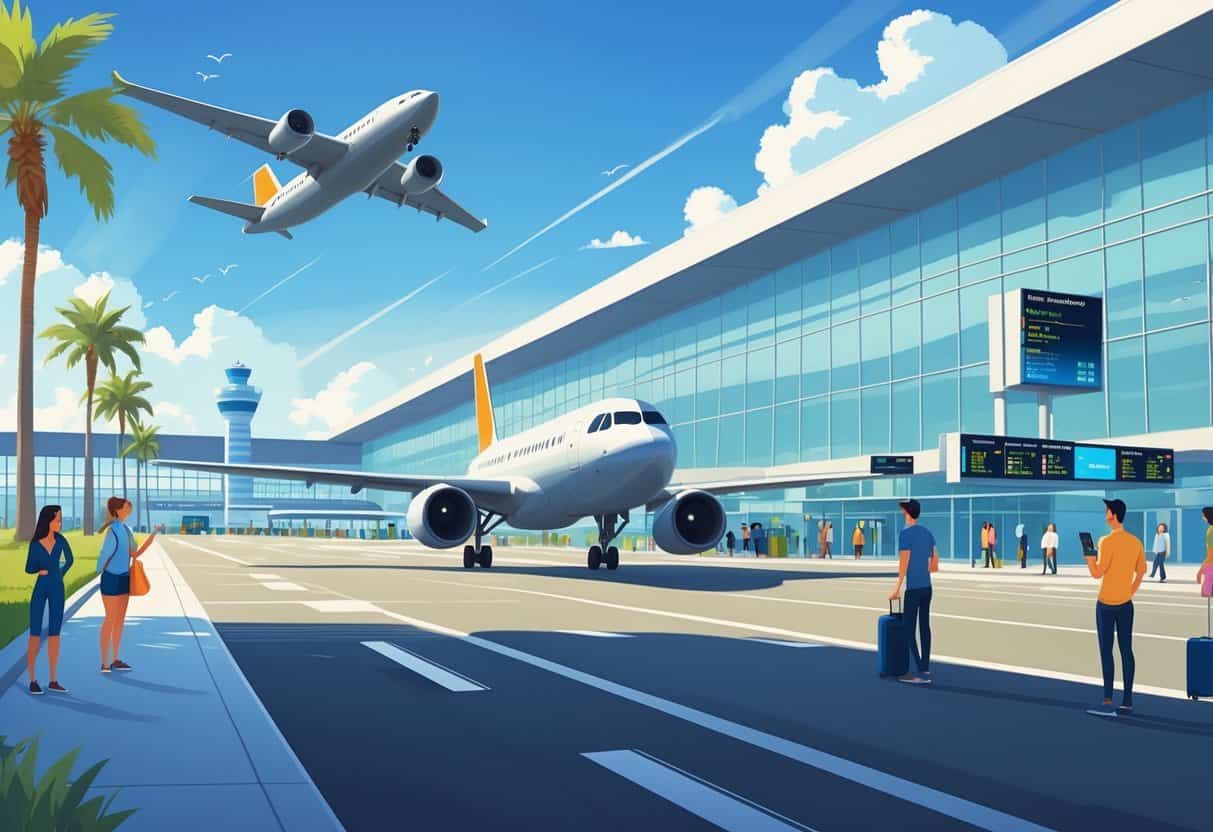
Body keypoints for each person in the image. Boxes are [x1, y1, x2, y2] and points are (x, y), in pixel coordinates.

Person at [1085, 498, 1146, 715]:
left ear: (1113, 514)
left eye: (1107, 511)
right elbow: (1141, 570)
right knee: (1126, 650)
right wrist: (1130, 591)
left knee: (1106, 650)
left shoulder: (1106, 541)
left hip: (1105, 604)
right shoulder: (1135, 542)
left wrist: (1089, 558)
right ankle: (1127, 700)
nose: (1105, 514)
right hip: (1126, 604)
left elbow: (1097, 573)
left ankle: (1108, 699)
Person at [97, 497, 158, 673]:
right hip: (111, 578)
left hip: (124, 577)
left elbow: (135, 553)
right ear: (117, 510)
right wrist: (101, 571)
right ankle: (105, 662)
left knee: (119, 621)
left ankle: (115, 659)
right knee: (110, 619)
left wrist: (153, 534)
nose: (129, 511)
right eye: (126, 508)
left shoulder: (125, 529)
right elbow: (105, 555)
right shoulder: (113, 531)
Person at [888, 499, 938, 685]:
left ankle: (918, 671)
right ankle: (925, 666)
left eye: (903, 510)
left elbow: (903, 564)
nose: (902, 513)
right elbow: (934, 564)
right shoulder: (927, 533)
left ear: (908, 512)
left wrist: (896, 589)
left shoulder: (905, 534)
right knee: (924, 625)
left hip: (914, 588)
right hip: (927, 587)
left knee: (909, 629)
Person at [25, 505, 74, 695]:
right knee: (35, 630)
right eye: (57, 520)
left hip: (56, 587)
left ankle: (53, 679)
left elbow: (70, 560)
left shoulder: (61, 540)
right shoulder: (35, 543)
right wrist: (41, 569)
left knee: (55, 631)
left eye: (61, 519)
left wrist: (58, 573)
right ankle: (32, 680)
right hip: (41, 586)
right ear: (48, 521)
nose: (60, 523)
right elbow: (28, 567)